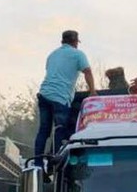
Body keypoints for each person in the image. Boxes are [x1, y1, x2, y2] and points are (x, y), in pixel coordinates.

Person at [34, 30, 97, 158]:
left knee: (44, 131)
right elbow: (88, 72)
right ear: (75, 42)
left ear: (62, 41)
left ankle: (38, 162)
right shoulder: (78, 54)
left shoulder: (52, 55)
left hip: (44, 94)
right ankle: (56, 161)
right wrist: (92, 92)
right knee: (60, 130)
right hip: (60, 97)